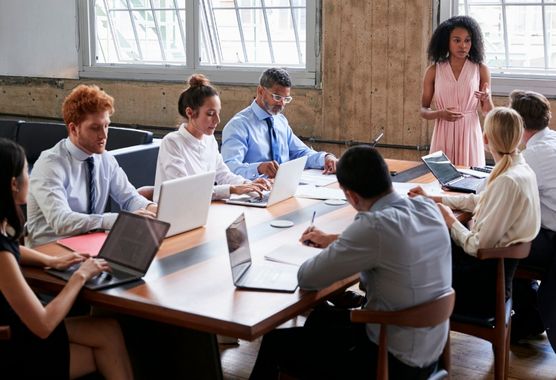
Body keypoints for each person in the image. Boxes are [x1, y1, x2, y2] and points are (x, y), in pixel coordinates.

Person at [249, 146, 452, 379]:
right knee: (322, 316)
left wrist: (339, 244)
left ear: (352, 196)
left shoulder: (373, 226)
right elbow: (391, 243)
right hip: (429, 347)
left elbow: (307, 277)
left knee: (276, 341)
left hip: (389, 360)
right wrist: (336, 240)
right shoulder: (427, 207)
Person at [0, 138, 133, 379]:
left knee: (109, 332)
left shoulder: (2, 233)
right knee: (105, 344)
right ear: (12, 184)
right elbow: (43, 324)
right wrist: (80, 276)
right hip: (14, 344)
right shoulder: (1, 255)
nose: (30, 177)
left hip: (17, 329)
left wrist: (48, 260)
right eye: (25, 172)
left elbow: (12, 250)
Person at [410, 107, 541, 316]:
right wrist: (435, 198)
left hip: (482, 288)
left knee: (421, 248)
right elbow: (481, 200)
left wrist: (450, 219)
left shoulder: (506, 180)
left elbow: (477, 246)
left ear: (486, 138)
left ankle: (395, 314)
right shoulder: (520, 169)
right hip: (497, 275)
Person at [27, 84, 157, 247]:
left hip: (92, 246)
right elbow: (61, 221)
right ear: (73, 129)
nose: (103, 135)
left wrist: (152, 209)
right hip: (51, 251)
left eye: (106, 125)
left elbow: (129, 198)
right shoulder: (50, 164)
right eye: (95, 128)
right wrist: (118, 220)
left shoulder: (105, 159)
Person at [154, 74, 270, 202]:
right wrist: (231, 189)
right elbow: (184, 189)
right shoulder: (172, 142)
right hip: (174, 213)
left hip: (202, 208)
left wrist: (248, 184)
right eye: (210, 114)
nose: (217, 120)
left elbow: (223, 175)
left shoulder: (209, 140)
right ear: (190, 112)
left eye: (218, 113)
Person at [221, 67, 338, 179]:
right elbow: (230, 168)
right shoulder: (238, 125)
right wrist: (258, 168)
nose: (282, 104)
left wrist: (325, 157)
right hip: (255, 189)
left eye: (286, 99)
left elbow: (301, 153)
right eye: (277, 97)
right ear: (260, 91)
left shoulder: (280, 121)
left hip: (283, 186)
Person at [509, 90, 556, 350]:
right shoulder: (552, 141)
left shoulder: (533, 156)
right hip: (550, 231)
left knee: (503, 245)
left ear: (518, 123)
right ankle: (529, 318)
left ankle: (523, 317)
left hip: (552, 238)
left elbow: (500, 193)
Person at [421, 15, 494, 167]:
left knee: (471, 182)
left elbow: (488, 112)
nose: (463, 46)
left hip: (469, 132)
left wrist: (487, 100)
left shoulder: (480, 69)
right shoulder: (434, 70)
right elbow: (423, 110)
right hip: (443, 132)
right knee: (439, 182)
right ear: (446, 42)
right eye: (457, 40)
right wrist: (439, 114)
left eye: (467, 40)